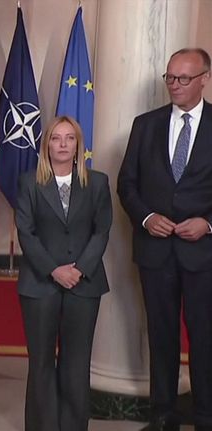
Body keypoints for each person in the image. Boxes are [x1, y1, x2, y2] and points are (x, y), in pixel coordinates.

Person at [118, 47, 212, 431]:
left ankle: (206, 416)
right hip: (155, 252)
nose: (174, 85)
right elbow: (127, 183)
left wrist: (208, 223)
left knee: (205, 337)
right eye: (170, 77)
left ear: (204, 79)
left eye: (183, 78)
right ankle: (162, 415)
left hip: (203, 253)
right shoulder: (145, 125)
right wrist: (146, 217)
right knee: (160, 336)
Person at [15, 116, 112, 431]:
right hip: (40, 283)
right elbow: (26, 232)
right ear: (47, 145)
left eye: (70, 138)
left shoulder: (97, 182)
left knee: (76, 362)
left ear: (78, 145)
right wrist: (54, 270)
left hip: (85, 284)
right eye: (56, 138)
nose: (63, 144)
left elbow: (102, 231)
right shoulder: (29, 182)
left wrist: (79, 269)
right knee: (41, 361)